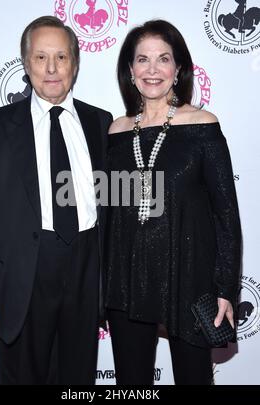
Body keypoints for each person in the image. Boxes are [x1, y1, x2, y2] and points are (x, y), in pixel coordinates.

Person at [0, 15, 112, 385]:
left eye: (61, 57)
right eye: (41, 57)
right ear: (26, 64)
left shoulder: (101, 123)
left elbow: (109, 202)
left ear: (75, 63)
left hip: (86, 273)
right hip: (23, 277)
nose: (51, 68)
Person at [104, 20, 241, 385]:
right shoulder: (115, 131)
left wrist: (226, 289)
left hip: (189, 277)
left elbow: (226, 214)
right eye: (142, 60)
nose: (152, 70)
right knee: (131, 386)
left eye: (163, 59)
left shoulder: (202, 125)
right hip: (127, 279)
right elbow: (111, 212)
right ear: (130, 70)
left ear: (177, 69)